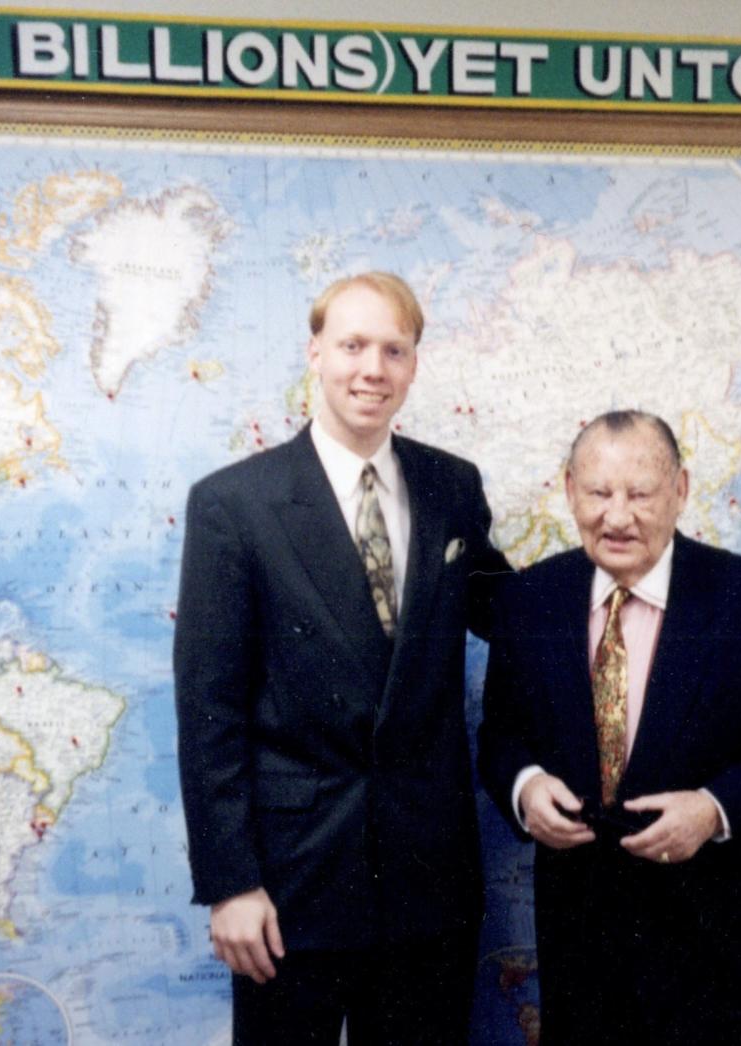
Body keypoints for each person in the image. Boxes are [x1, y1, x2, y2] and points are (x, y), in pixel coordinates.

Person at [174, 272, 510, 1045]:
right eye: (353, 345)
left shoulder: (451, 485)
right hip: (291, 889)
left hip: (429, 884)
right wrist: (232, 886)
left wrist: (633, 589)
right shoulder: (235, 505)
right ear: (315, 353)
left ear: (414, 365)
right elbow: (208, 710)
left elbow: (509, 612)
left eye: (394, 349)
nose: (373, 368)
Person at [478, 409, 741, 1046]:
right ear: (568, 490)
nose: (617, 517)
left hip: (731, 957)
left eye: (640, 494)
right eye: (598, 493)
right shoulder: (528, 602)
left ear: (681, 491)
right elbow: (503, 736)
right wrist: (527, 785)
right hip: (587, 961)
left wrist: (712, 810)